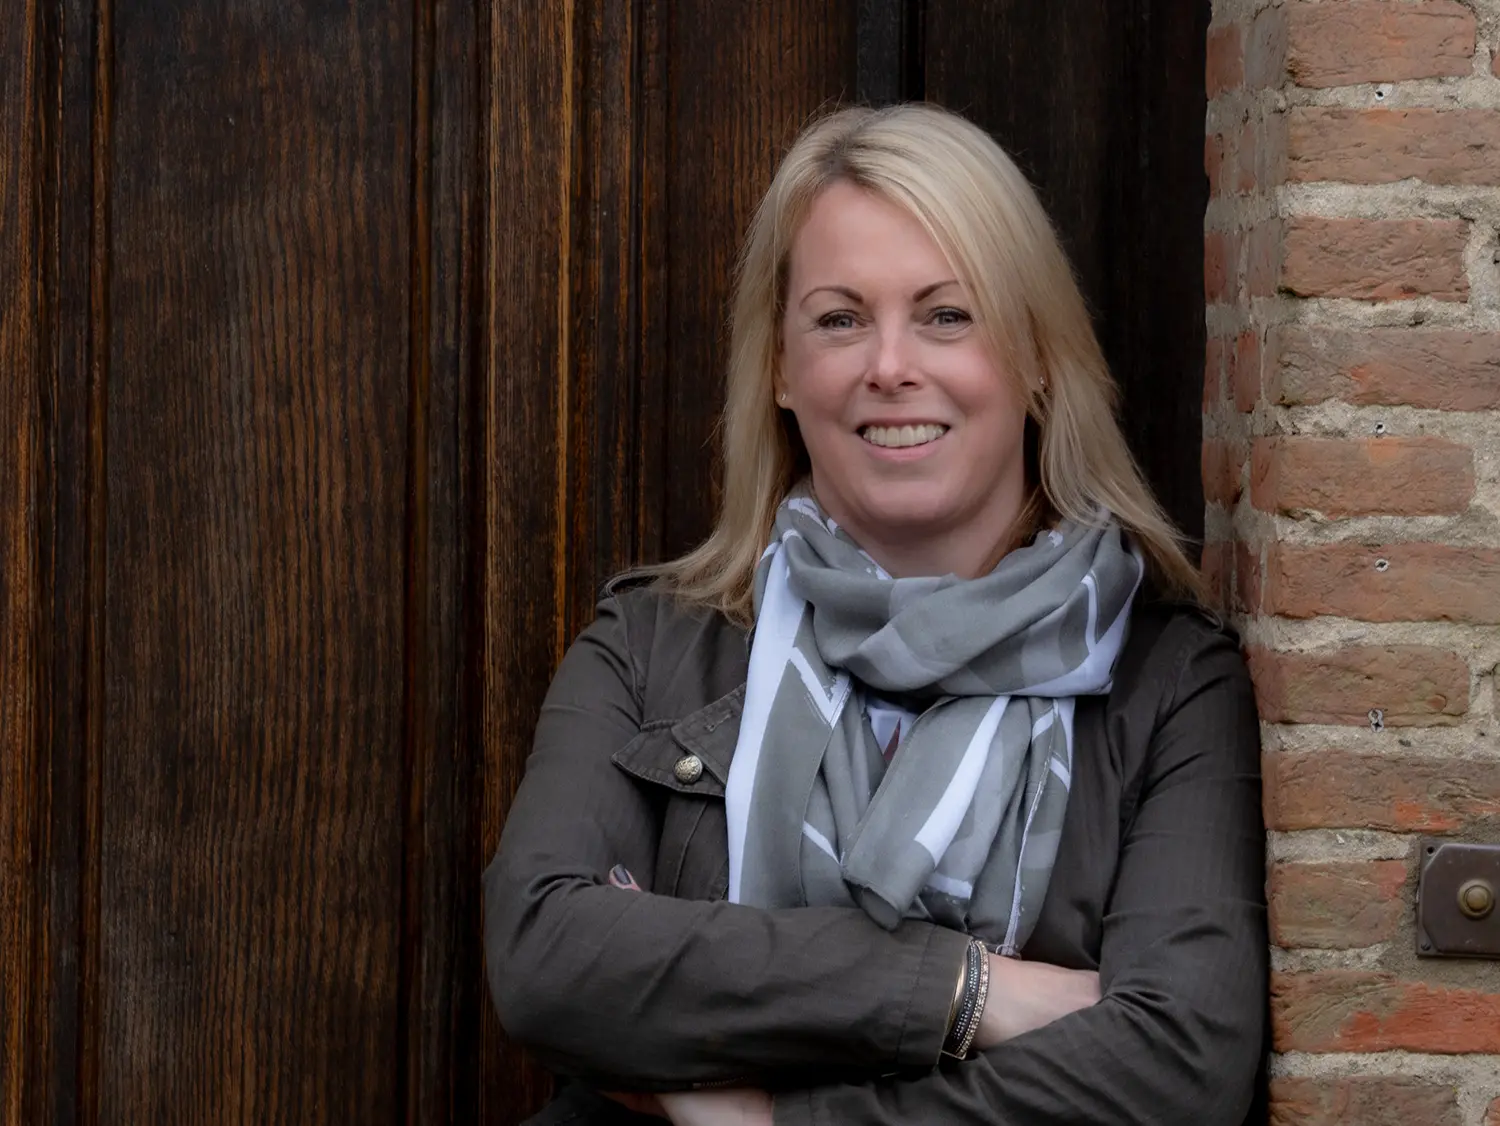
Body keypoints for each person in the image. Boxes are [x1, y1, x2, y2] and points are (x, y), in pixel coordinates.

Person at [484, 102, 1267, 1126]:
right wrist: (962, 990)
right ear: (779, 366)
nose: (890, 366)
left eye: (947, 316)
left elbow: (1180, 1064)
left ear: (1036, 357)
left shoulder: (1166, 681)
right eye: (840, 319)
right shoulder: (655, 647)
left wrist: (760, 1114)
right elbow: (545, 955)